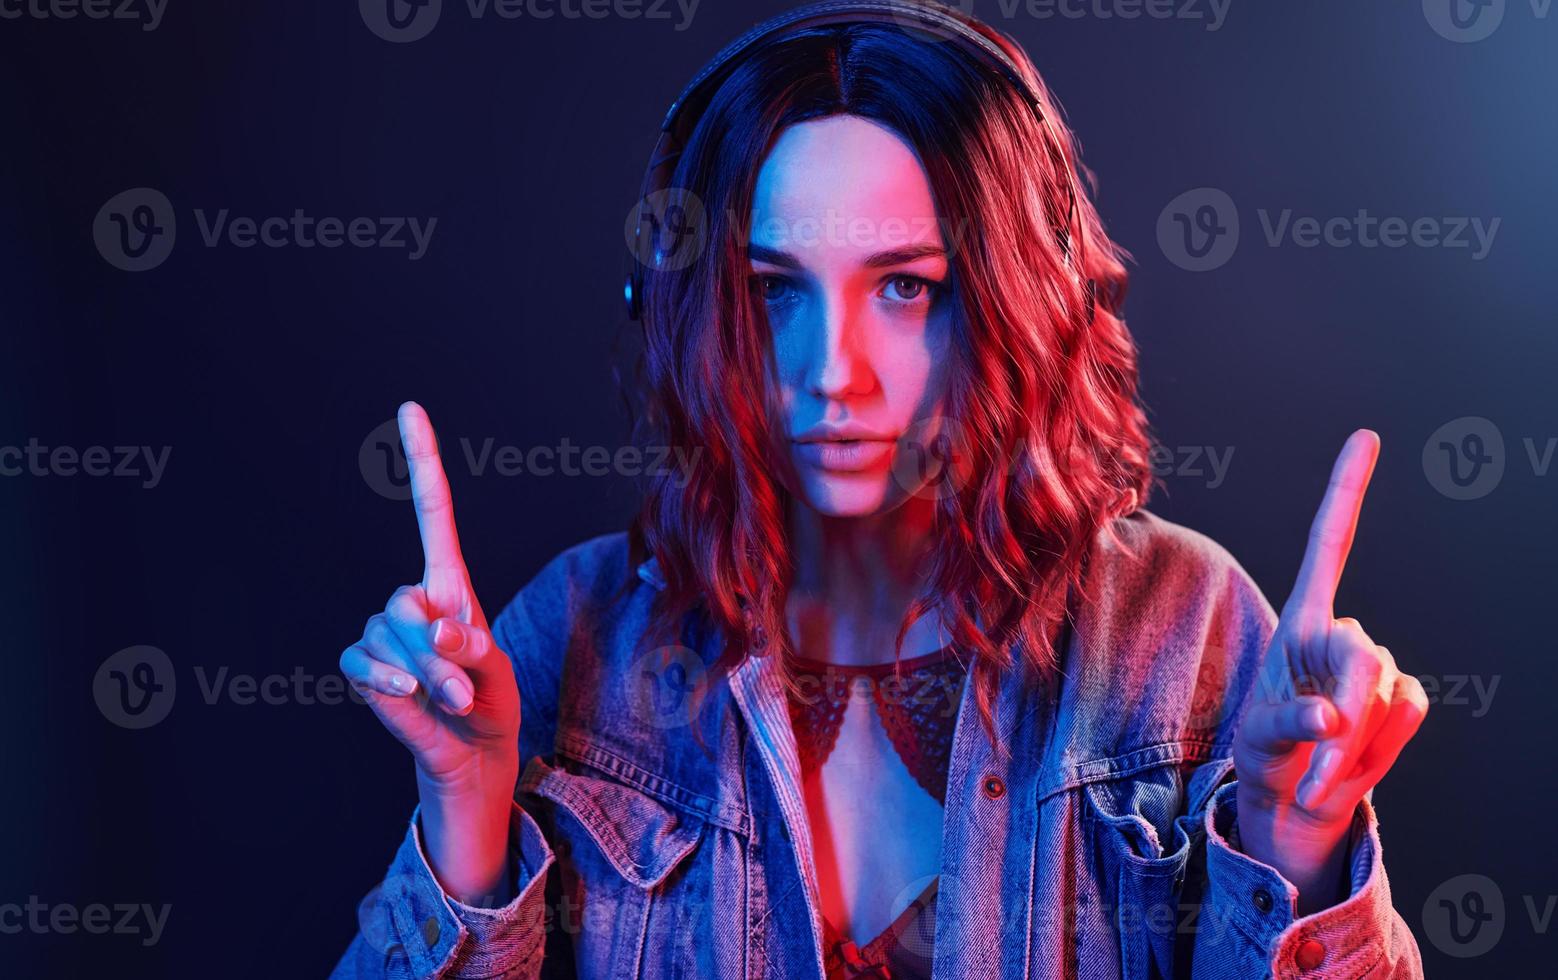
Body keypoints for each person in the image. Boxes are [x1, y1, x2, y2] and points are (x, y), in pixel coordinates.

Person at [332, 2, 1426, 976]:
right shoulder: (571, 640)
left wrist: (1296, 850)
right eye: (773, 291)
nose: (830, 372)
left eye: (905, 286)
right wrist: (467, 821)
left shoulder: (1185, 632)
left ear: (1024, 296)